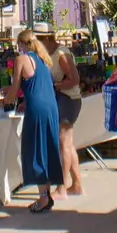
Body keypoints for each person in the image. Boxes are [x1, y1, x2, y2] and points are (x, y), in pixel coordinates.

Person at [12, 26, 63, 213]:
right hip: (51, 107)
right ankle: (46, 194)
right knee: (48, 148)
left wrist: (4, 98)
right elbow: (39, 86)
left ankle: (42, 197)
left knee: (35, 150)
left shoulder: (21, 60)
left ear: (22, 44)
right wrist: (27, 99)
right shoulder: (43, 60)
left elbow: (14, 90)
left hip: (37, 110)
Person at [41, 25, 85, 198]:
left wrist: (54, 86)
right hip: (62, 99)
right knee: (67, 143)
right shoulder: (48, 54)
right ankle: (77, 185)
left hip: (68, 100)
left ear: (46, 39)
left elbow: (75, 80)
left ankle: (61, 187)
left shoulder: (61, 54)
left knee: (63, 143)